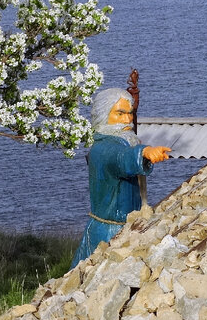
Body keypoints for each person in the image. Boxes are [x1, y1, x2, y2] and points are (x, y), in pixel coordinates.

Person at [70, 87, 170, 268]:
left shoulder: (118, 142)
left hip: (123, 227)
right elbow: (121, 158)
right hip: (110, 233)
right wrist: (145, 152)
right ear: (103, 116)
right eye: (120, 113)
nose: (128, 120)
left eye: (130, 114)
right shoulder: (104, 149)